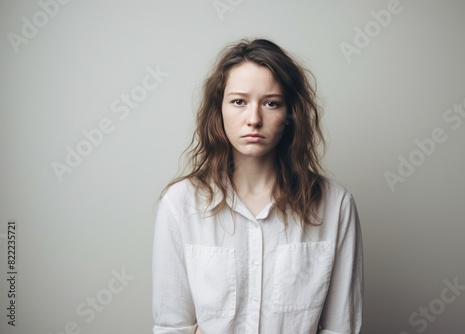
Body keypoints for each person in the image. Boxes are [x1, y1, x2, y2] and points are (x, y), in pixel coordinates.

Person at [152, 38, 363, 334]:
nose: (254, 119)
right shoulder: (179, 204)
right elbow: (172, 328)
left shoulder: (336, 204)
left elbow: (342, 329)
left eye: (271, 103)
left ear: (291, 115)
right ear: (219, 109)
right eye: (239, 101)